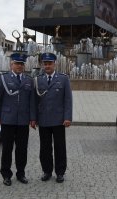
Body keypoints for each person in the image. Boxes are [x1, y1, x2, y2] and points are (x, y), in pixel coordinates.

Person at [0, 53, 36, 186]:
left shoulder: (29, 80)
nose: (19, 66)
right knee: (7, 149)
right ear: (11, 64)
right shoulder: (3, 78)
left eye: (21, 64)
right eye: (17, 63)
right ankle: (6, 175)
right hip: (8, 120)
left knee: (22, 149)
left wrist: (33, 118)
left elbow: (32, 101)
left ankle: (21, 173)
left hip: (23, 120)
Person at [35, 52, 72, 183]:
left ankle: (60, 172)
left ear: (54, 64)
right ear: (42, 65)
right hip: (43, 119)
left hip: (58, 120)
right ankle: (47, 171)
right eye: (45, 63)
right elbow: (35, 101)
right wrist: (34, 118)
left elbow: (68, 100)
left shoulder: (63, 79)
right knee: (45, 148)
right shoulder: (38, 79)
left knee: (60, 147)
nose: (47, 66)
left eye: (50, 63)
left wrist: (68, 117)